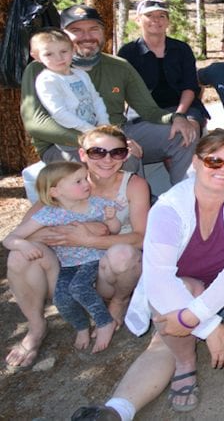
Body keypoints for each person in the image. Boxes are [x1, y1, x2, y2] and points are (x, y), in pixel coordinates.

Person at [124, 130, 224, 413]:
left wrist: (194, 315)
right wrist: (209, 327)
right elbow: (158, 277)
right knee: (169, 300)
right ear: (196, 162)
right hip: (186, 287)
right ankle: (185, 362)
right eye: (214, 161)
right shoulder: (168, 208)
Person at [6, 126, 149, 371]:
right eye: (97, 152)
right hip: (68, 268)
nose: (107, 159)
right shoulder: (69, 182)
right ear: (82, 154)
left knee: (123, 253)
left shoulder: (133, 185)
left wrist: (91, 239)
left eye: (116, 153)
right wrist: (79, 230)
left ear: (126, 155)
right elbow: (27, 229)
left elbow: (142, 238)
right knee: (19, 256)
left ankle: (118, 302)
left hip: (110, 271)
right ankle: (36, 327)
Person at [20, 5, 198, 184]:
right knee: (118, 156)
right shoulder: (40, 69)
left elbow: (149, 109)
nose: (87, 37)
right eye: (77, 30)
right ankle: (136, 205)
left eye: (94, 29)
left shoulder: (119, 66)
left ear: (104, 32)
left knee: (183, 135)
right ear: (64, 35)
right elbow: (37, 123)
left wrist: (175, 118)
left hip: (117, 131)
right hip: (65, 143)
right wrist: (101, 142)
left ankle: (181, 201)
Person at [4, 162, 121, 353]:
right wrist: (22, 244)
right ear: (55, 192)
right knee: (61, 298)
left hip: (95, 258)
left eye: (85, 179)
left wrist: (111, 218)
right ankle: (82, 327)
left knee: (78, 287)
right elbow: (11, 238)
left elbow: (113, 231)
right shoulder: (49, 214)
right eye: (78, 181)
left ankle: (104, 322)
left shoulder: (96, 204)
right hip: (68, 265)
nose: (86, 184)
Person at [118, 0, 209, 127]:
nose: (156, 20)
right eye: (149, 15)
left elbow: (189, 87)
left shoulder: (182, 49)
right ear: (138, 20)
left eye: (162, 16)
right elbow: (121, 90)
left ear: (168, 22)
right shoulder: (128, 52)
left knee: (187, 131)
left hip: (184, 108)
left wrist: (179, 115)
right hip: (143, 112)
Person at [30, 28, 109, 132]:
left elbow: (96, 100)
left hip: (93, 129)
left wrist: (104, 123)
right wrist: (89, 130)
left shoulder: (81, 74)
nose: (59, 58)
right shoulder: (47, 80)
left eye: (63, 51)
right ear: (37, 57)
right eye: (49, 54)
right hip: (71, 136)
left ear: (73, 50)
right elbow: (59, 113)